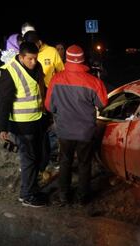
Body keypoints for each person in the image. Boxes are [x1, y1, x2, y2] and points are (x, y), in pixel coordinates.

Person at [45, 45, 108, 205]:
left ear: (66, 59)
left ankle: (63, 195)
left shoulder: (56, 79)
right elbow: (103, 104)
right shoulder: (93, 81)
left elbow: (49, 106)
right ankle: (82, 198)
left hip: (64, 131)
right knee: (84, 163)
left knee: (65, 161)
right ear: (82, 59)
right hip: (85, 132)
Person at [0, 41, 46, 207]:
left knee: (36, 158)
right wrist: (2, 127)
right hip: (21, 124)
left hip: (36, 121)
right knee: (28, 160)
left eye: (35, 58)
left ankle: (31, 190)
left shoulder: (36, 66)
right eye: (30, 59)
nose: (34, 62)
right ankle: (27, 195)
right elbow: (4, 101)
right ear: (21, 56)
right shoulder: (9, 71)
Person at [24, 30, 65, 173]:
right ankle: (39, 160)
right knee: (39, 130)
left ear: (39, 42)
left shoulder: (51, 52)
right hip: (33, 97)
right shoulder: (26, 54)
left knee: (52, 128)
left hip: (51, 94)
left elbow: (61, 72)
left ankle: (53, 157)